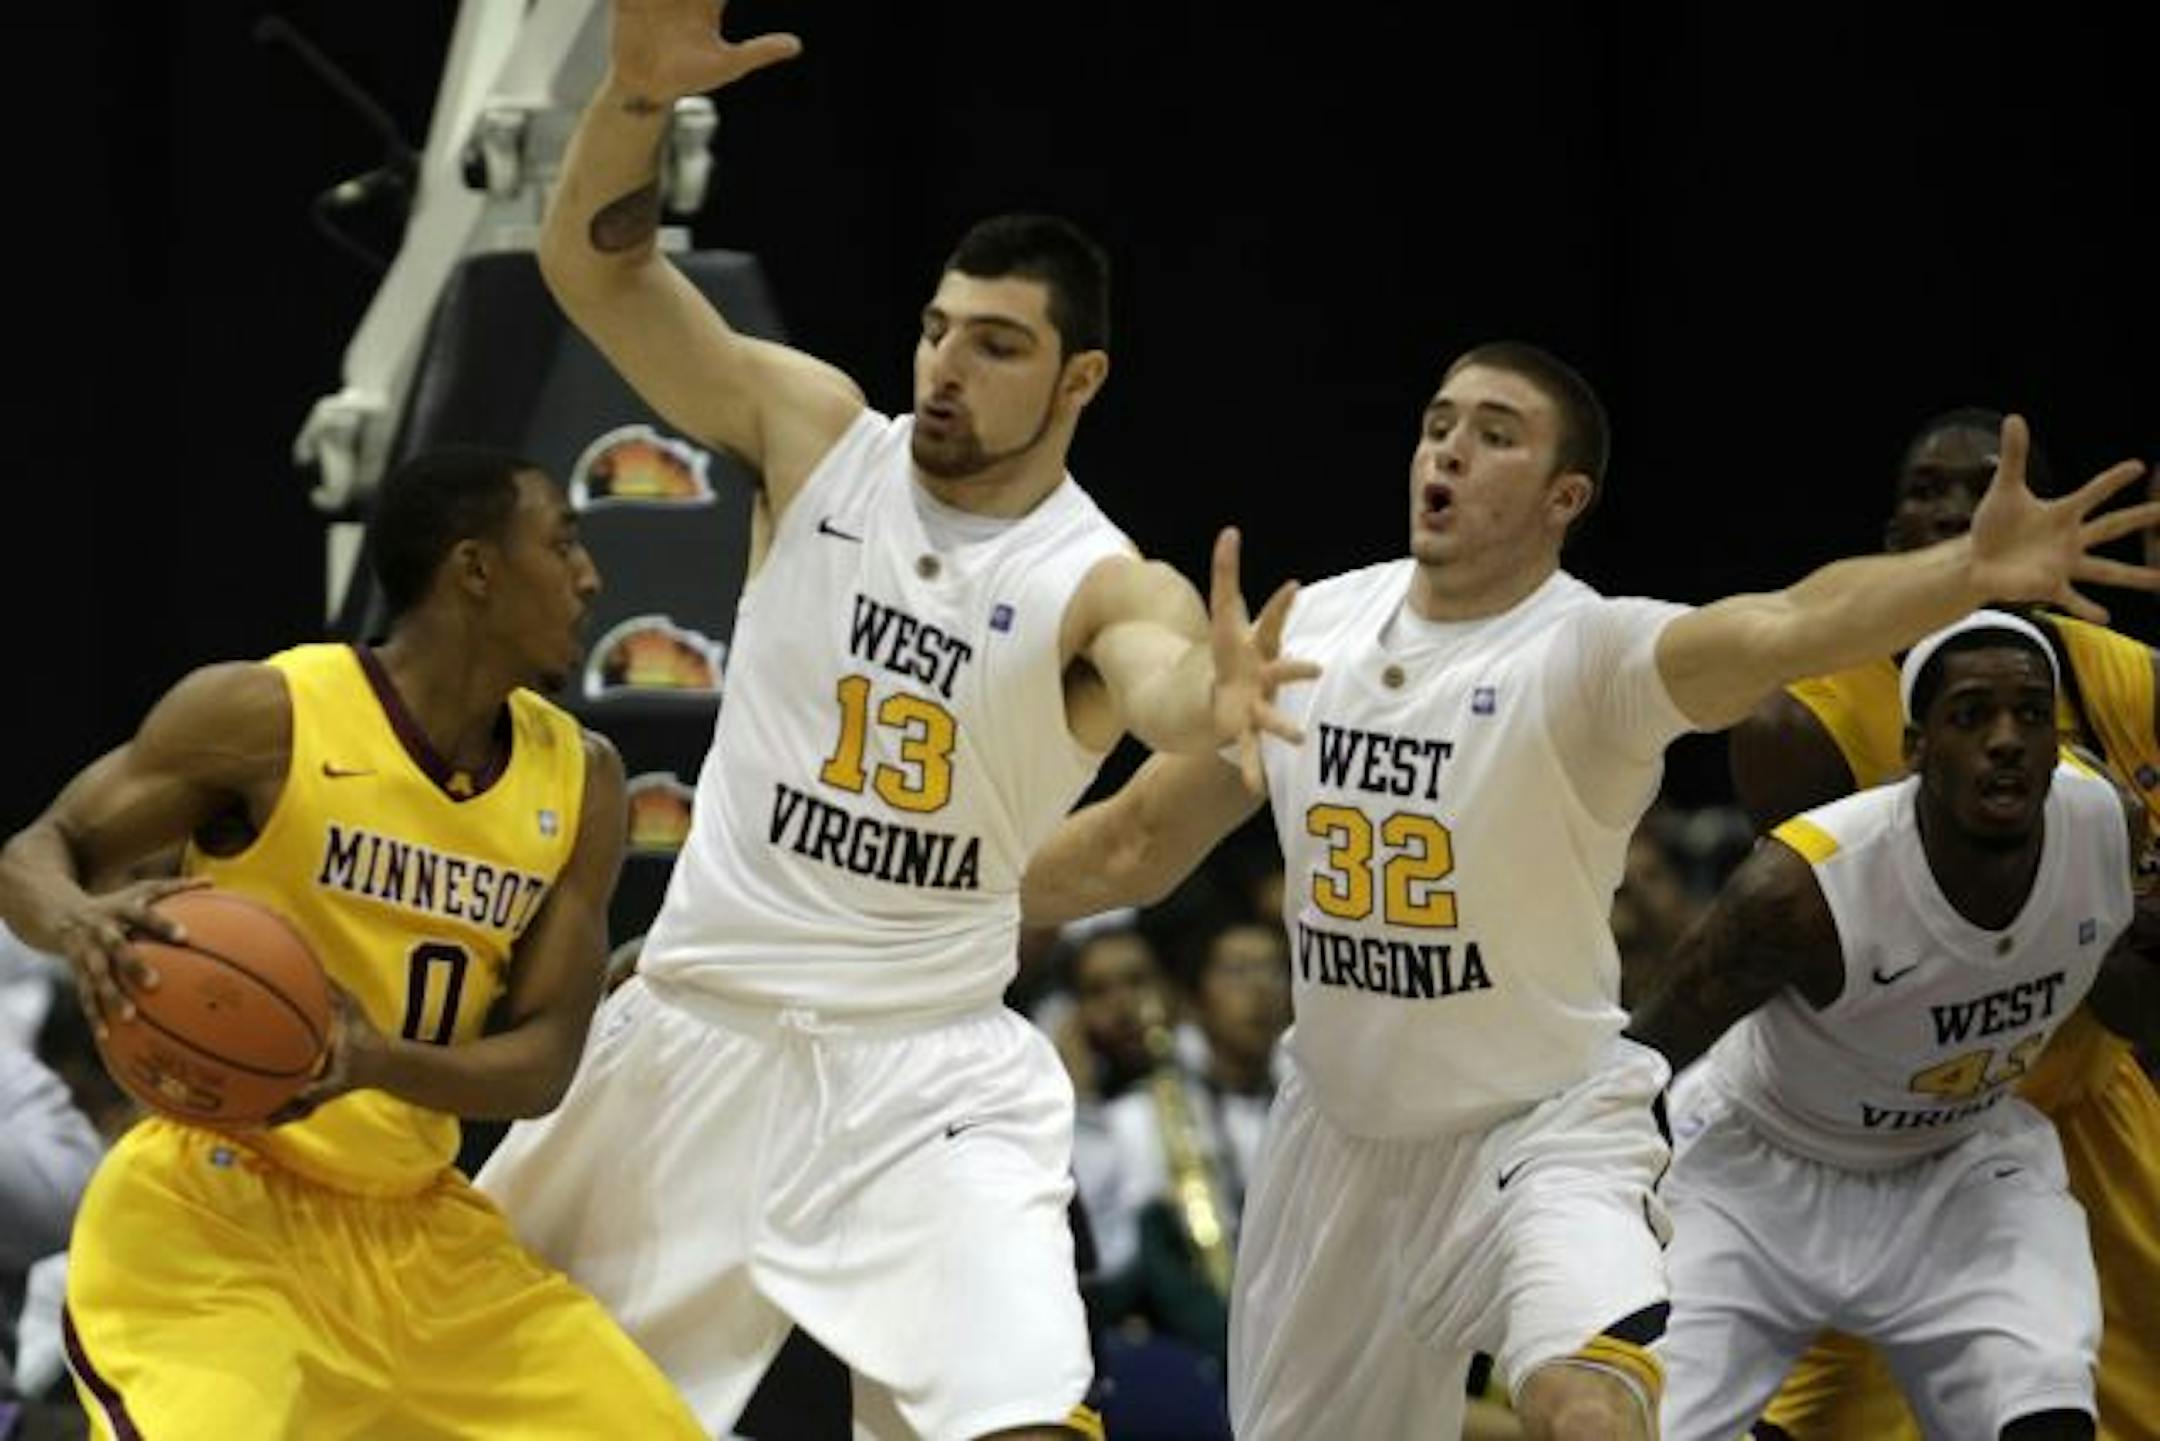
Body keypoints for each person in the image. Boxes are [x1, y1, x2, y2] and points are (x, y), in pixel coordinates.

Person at [1021, 341, 2159, 1441]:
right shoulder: (1310, 631)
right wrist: (947, 899)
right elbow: (1134, 848)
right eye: (1437, 426)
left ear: (1567, 495)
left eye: (1494, 434)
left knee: (1588, 1404)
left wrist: (1964, 572)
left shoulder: (1591, 654)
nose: (1448, 452)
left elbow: (1785, 621)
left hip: (1543, 1131)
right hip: (1341, 1144)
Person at [471, 5, 1313, 1438]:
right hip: (697, 1028)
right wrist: (629, 103)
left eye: (994, 345)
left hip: (927, 1072)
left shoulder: (1091, 577)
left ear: (1079, 379)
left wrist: (1209, 701)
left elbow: (1160, 668)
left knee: (1025, 1420)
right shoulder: (814, 438)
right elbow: (596, 273)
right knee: (469, 1397)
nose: (943, 366)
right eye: (936, 329)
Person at [0, 447, 705, 1438]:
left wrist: (377, 1059)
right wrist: (78, 920)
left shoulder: (580, 781)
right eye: (562, 543)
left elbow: (543, 1062)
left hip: (419, 1233)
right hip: (218, 1210)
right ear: (475, 568)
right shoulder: (267, 716)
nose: (590, 576)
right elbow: (41, 847)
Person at [1726, 409, 2160, 1441]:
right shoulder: (1798, 722)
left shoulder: (2122, 678)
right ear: (1891, 535)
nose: (1960, 515)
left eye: (1987, 495)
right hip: (1888, 1142)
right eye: (1930, 492)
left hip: (2089, 1115)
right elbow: (1806, 977)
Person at [1634, 611, 2155, 1440]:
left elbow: (2131, 1003)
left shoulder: (2105, 827)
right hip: (1764, 1173)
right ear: (1915, 746)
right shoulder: (1799, 891)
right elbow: (1641, 1054)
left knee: (2048, 1409)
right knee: (1635, 1421)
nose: (2008, 738)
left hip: (1960, 1165)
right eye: (1972, 714)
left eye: (2032, 714)